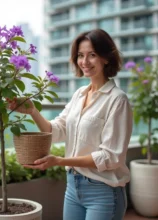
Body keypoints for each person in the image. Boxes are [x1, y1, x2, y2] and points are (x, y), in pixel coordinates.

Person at [8, 29, 133, 220]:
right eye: (80, 55)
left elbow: (110, 157)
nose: (85, 61)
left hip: (103, 191)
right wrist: (33, 111)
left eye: (92, 55)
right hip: (73, 187)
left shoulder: (117, 100)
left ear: (106, 58)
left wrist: (60, 161)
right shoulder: (79, 94)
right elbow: (56, 130)